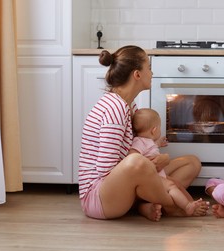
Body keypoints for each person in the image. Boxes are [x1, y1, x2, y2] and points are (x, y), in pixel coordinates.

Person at [78, 45, 207, 222]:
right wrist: (150, 168)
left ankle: (145, 206)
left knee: (191, 162)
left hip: (122, 185)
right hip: (99, 199)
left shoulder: (129, 105)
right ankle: (175, 206)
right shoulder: (115, 109)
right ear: (137, 75)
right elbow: (105, 170)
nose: (152, 73)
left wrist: (158, 162)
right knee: (138, 162)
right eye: (149, 68)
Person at [130, 108, 208, 216]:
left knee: (178, 182)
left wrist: (157, 144)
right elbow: (133, 158)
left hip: (158, 174)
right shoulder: (138, 142)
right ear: (154, 130)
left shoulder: (146, 141)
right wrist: (148, 164)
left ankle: (189, 204)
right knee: (172, 186)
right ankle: (186, 207)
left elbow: (147, 149)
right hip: (151, 178)